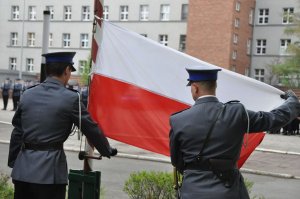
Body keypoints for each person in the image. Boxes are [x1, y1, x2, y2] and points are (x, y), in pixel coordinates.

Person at [169, 65, 300, 199]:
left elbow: (177, 161)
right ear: (215, 86)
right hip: (229, 191)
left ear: (195, 87)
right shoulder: (236, 113)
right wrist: (292, 102)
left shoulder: (178, 120)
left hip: (192, 192)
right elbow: (274, 119)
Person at [8, 52, 117, 199]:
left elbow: (17, 132)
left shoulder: (28, 94)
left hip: (23, 172)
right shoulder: (71, 98)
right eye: (70, 71)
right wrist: (106, 149)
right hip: (49, 173)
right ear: (66, 70)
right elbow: (90, 128)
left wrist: (15, 161)